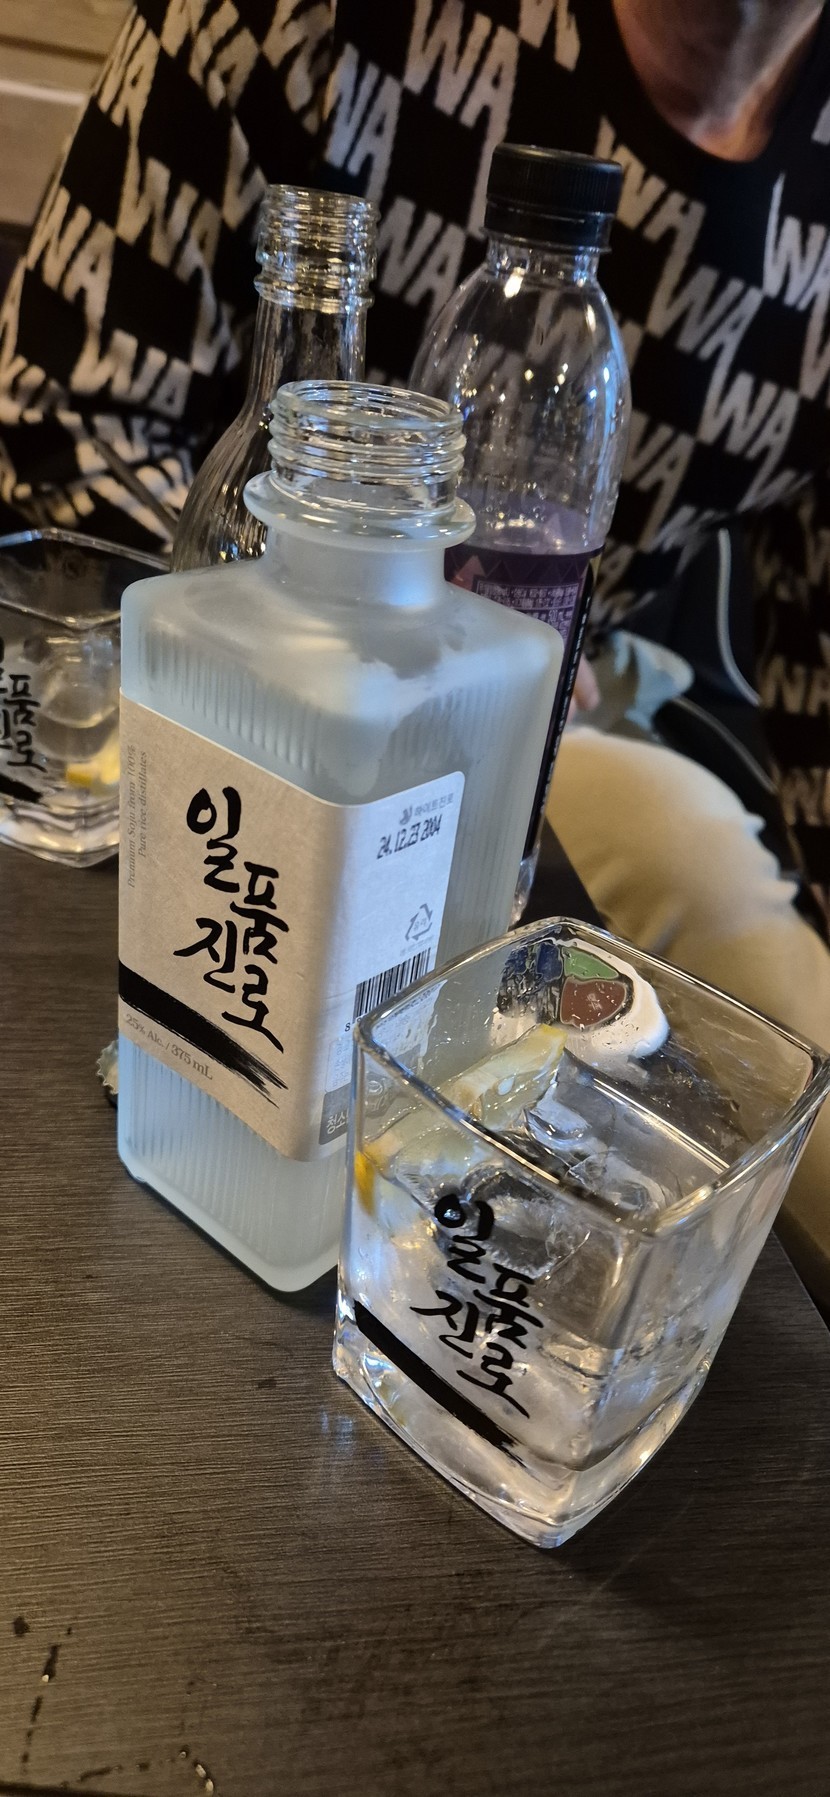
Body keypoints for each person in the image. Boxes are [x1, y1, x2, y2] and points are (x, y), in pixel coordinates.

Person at [1, 0, 829, 1295]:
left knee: (699, 883)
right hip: (197, 629)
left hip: (557, 709)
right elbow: (58, 418)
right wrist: (269, 637)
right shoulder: (296, 26)